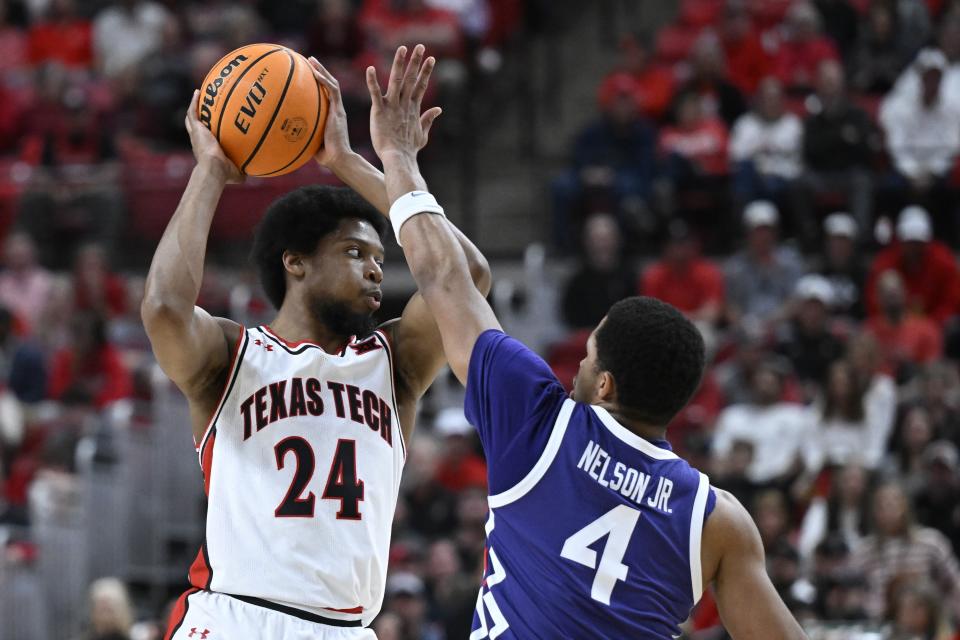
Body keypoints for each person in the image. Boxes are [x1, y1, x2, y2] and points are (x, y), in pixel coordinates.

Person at [366, 44, 806, 638]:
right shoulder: (716, 519)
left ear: (605, 384)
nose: (577, 362)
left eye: (589, 352)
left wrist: (396, 155)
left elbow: (444, 275)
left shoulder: (541, 422)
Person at [146, 50, 490, 638]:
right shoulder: (230, 357)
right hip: (237, 617)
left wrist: (349, 160)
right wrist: (210, 170)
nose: (377, 271)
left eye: (382, 260)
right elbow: (164, 308)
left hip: (348, 627)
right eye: (356, 254)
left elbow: (468, 276)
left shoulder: (394, 365)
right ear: (296, 262)